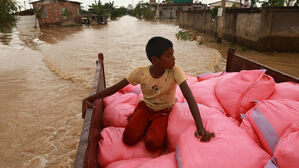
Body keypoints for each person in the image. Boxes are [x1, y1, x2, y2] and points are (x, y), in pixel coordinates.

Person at [82, 36, 215, 151]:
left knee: (152, 143)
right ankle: (139, 119)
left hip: (164, 111)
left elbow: (189, 97)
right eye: (169, 56)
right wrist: (90, 98)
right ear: (156, 60)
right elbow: (115, 88)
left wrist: (200, 128)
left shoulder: (175, 71)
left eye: (173, 54)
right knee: (128, 138)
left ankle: (146, 126)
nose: (174, 59)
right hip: (145, 108)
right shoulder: (140, 73)